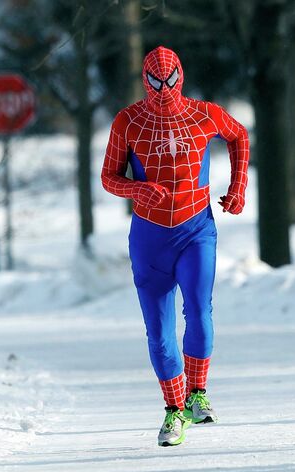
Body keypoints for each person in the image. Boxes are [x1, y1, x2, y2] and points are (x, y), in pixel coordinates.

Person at [101, 46, 249, 446]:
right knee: (159, 331)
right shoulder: (128, 121)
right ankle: (173, 410)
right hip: (149, 238)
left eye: (169, 80)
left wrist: (238, 188)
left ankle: (198, 393)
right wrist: (135, 188)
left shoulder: (204, 113)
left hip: (196, 228)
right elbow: (108, 177)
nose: (163, 88)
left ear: (180, 76)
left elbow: (239, 136)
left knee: (199, 307)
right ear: (144, 80)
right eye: (154, 81)